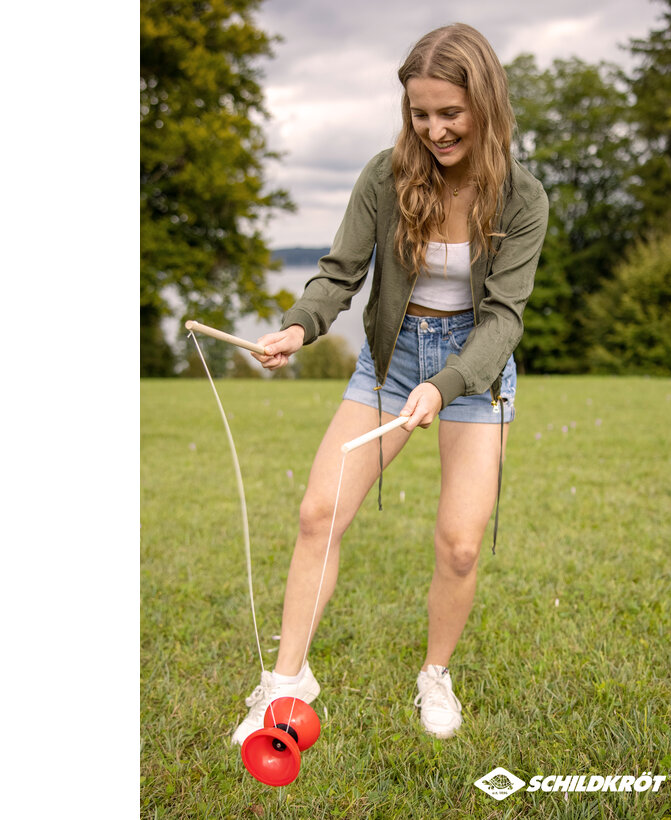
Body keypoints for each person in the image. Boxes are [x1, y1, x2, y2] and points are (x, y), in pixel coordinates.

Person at [232, 22, 548, 744]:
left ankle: (434, 674)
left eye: (450, 113)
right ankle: (286, 682)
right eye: (420, 113)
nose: (433, 129)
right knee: (319, 512)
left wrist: (447, 384)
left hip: (474, 368)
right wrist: (299, 325)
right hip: (389, 359)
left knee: (460, 544)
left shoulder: (522, 198)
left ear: (486, 103)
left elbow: (504, 319)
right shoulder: (384, 174)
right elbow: (341, 273)